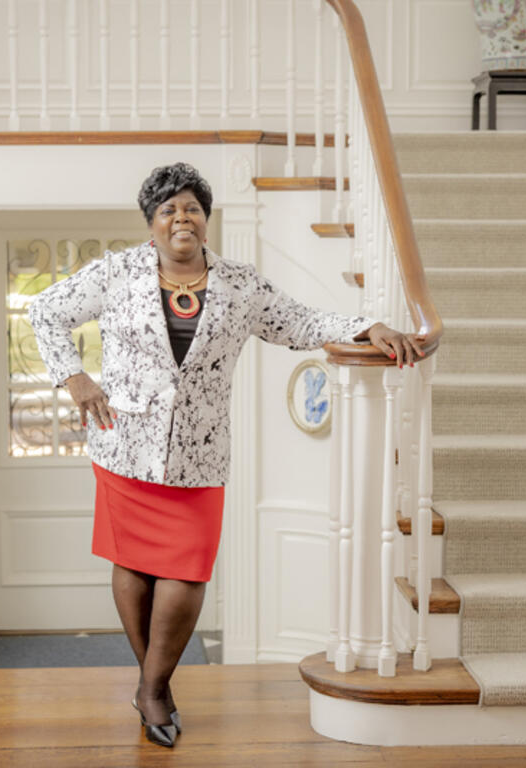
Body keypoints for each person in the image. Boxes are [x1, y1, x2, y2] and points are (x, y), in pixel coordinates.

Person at [29, 162, 423, 748]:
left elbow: (301, 321)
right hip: (124, 446)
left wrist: (367, 325)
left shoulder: (241, 284)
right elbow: (45, 311)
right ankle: (156, 690)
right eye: (168, 210)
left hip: (200, 450)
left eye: (191, 208)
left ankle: (150, 683)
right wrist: (74, 378)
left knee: (187, 572)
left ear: (206, 222)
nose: (180, 218)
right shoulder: (116, 273)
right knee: (132, 563)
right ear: (152, 225)